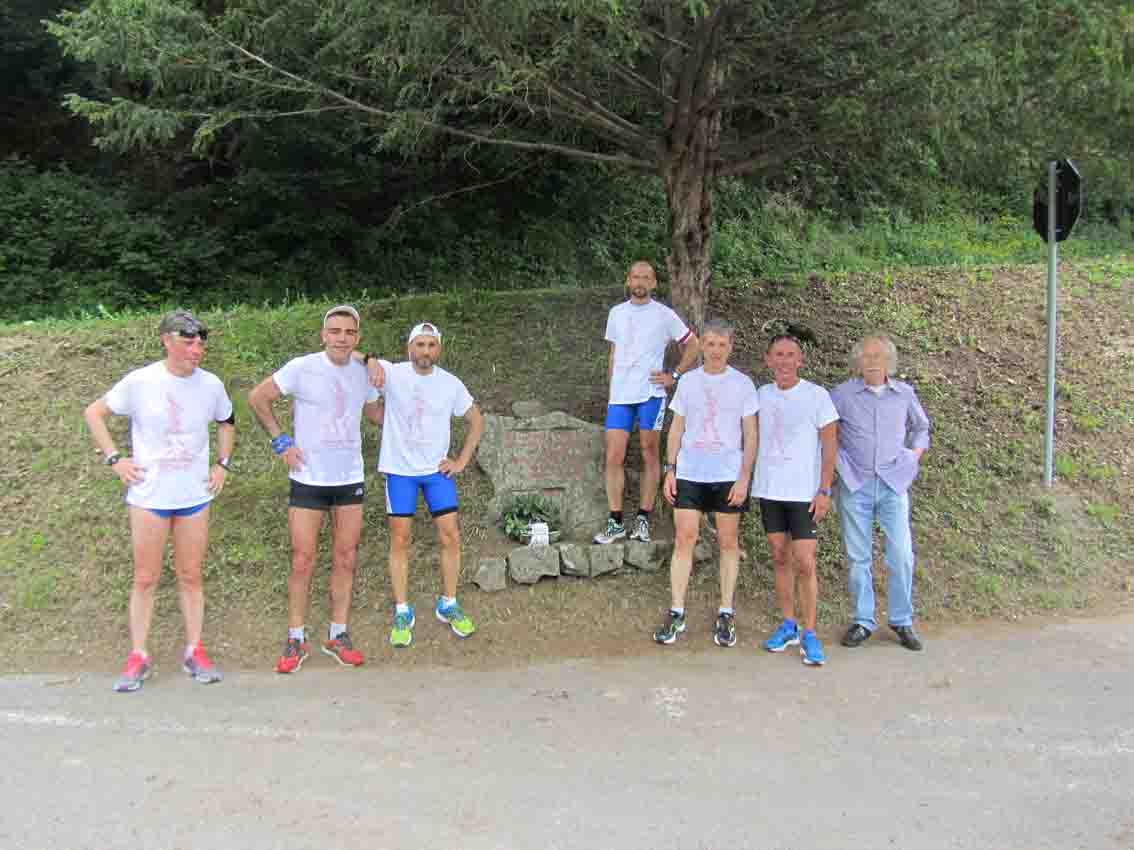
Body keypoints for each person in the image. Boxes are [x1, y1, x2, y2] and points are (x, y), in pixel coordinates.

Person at [83, 310, 235, 693]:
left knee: (191, 575)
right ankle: (138, 655)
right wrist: (115, 459)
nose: (197, 349)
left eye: (201, 343)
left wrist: (223, 464)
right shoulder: (141, 381)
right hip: (149, 496)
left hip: (193, 496)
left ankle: (194, 651)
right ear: (167, 340)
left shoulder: (211, 385)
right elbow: (94, 413)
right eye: (188, 341)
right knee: (146, 577)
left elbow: (227, 421)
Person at [247, 305, 383, 673]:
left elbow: (375, 414)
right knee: (302, 559)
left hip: (349, 477)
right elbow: (258, 397)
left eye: (349, 332)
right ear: (323, 335)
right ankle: (295, 637)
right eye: (334, 331)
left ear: (357, 337)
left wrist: (416, 421)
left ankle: (338, 635)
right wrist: (281, 442)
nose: (341, 338)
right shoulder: (301, 367)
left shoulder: (363, 373)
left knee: (346, 557)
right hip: (308, 477)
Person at [366, 322, 484, 647]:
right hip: (399, 471)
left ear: (439, 349)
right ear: (409, 348)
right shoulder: (393, 373)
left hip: (436, 473)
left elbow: (476, 420)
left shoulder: (450, 383)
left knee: (450, 535)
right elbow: (361, 367)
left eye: (431, 345)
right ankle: (402, 610)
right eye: (420, 345)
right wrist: (371, 361)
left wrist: (461, 460)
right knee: (400, 539)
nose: (425, 351)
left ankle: (448, 603)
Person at [653, 320, 758, 648]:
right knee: (684, 539)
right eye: (710, 344)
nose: (715, 350)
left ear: (730, 347)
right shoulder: (689, 382)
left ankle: (726, 611)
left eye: (721, 345)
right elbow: (676, 429)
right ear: (703, 346)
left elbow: (751, 434)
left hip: (727, 475)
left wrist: (744, 477)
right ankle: (677, 611)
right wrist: (670, 469)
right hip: (690, 473)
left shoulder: (743, 384)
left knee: (728, 542)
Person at [830, 333, 931, 651]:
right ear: (857, 362)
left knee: (901, 554)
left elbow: (921, 427)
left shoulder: (904, 394)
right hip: (855, 484)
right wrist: (838, 463)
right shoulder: (842, 394)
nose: (872, 362)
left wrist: (914, 454)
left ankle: (901, 620)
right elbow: (826, 431)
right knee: (858, 556)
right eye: (866, 356)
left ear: (889, 361)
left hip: (893, 484)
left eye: (878, 356)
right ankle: (863, 620)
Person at [595, 260, 700, 545]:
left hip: (650, 394)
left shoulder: (664, 314)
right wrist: (612, 389)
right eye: (635, 277)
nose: (640, 282)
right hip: (620, 397)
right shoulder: (616, 313)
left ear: (653, 283)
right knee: (613, 455)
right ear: (628, 281)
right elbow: (613, 353)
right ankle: (615, 521)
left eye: (646, 277)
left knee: (649, 451)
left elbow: (693, 344)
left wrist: (674, 375)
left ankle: (643, 519)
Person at [753, 333, 838, 666]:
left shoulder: (817, 396)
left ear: (800, 361)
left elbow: (830, 446)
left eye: (791, 354)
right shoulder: (761, 395)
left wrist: (824, 489)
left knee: (805, 561)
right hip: (770, 490)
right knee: (779, 556)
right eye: (778, 354)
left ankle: (810, 632)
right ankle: (788, 624)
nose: (784, 360)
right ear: (768, 360)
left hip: (804, 493)